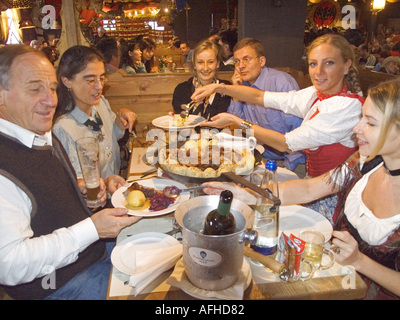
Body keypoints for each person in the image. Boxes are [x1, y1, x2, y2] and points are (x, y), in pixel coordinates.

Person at [203, 79, 400, 300]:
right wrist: (246, 194)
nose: (357, 129)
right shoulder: (366, 163)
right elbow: (308, 189)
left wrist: (359, 261)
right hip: (335, 279)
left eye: (370, 123)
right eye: (361, 117)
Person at [0, 44, 140, 300]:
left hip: (93, 252)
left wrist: (82, 187)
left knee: (164, 242)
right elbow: (9, 264)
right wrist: (92, 230)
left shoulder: (39, 134)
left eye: (52, 88)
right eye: (35, 89)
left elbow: (41, 194)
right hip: (60, 284)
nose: (51, 100)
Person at [192, 34, 364, 223]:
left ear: (347, 66)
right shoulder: (316, 94)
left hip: (333, 199)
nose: (319, 71)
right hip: (310, 185)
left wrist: (236, 121)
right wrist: (218, 89)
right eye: (313, 64)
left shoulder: (345, 107)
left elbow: (285, 144)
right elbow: (259, 97)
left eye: (329, 63)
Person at [53, 45, 137, 180]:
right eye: (91, 80)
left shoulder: (100, 104)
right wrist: (107, 183)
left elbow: (111, 137)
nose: (99, 86)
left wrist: (120, 121)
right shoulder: (63, 128)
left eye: (102, 78)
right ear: (67, 81)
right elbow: (77, 183)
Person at [228, 38, 305, 175]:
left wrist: (285, 172)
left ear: (262, 61)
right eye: (237, 61)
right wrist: (236, 92)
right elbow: (236, 129)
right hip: (259, 159)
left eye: (247, 59)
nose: (241, 66)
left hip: (289, 161)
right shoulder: (242, 85)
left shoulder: (282, 84)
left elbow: (298, 136)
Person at [172, 39, 231, 121]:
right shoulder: (181, 90)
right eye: (200, 62)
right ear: (194, 65)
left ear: (217, 64)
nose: (205, 68)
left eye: (210, 62)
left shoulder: (226, 89)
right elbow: (182, 124)